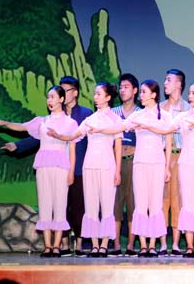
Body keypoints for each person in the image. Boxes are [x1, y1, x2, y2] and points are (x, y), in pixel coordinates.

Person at [0, 76, 92, 257]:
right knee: (45, 204)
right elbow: (23, 127)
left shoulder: (72, 122)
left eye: (53, 97)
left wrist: (71, 172)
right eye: (48, 97)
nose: (49, 101)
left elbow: (73, 148)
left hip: (63, 167)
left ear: (62, 99)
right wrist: (4, 124)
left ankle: (59, 246)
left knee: (61, 205)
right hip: (43, 166)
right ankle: (48, 246)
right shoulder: (42, 121)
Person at [97, 80, 173, 257]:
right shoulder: (137, 116)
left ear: (154, 94)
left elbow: (168, 141)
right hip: (139, 163)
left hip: (157, 163)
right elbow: (119, 127)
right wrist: (100, 129)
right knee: (141, 204)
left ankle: (153, 244)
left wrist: (167, 168)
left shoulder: (165, 116)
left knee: (155, 204)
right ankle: (143, 245)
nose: (141, 95)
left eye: (144, 92)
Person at [47, 82, 122, 258]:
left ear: (108, 97)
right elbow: (73, 136)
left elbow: (118, 147)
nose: (95, 97)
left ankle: (104, 245)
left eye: (99, 94)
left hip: (107, 165)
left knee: (107, 205)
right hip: (89, 165)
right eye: (95, 94)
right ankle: (95, 245)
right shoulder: (90, 119)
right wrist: (58, 136)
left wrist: (117, 171)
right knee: (91, 205)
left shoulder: (115, 120)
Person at [151, 81, 194, 258]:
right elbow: (166, 129)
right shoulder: (182, 117)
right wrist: (147, 124)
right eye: (189, 92)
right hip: (186, 163)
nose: (190, 95)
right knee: (188, 203)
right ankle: (189, 246)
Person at [110, 73, 141, 257]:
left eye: (126, 87)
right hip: (115, 162)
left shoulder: (141, 114)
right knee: (115, 203)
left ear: (135, 90)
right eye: (120, 87)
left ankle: (130, 244)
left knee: (132, 203)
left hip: (134, 162)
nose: (122, 90)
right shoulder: (113, 113)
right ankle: (115, 244)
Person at [159, 69, 190, 256]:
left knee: (178, 199)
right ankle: (163, 243)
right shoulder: (159, 108)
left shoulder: (188, 108)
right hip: (162, 156)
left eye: (169, 80)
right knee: (162, 200)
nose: (165, 83)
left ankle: (176, 243)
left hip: (181, 156)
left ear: (179, 84)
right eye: (165, 80)